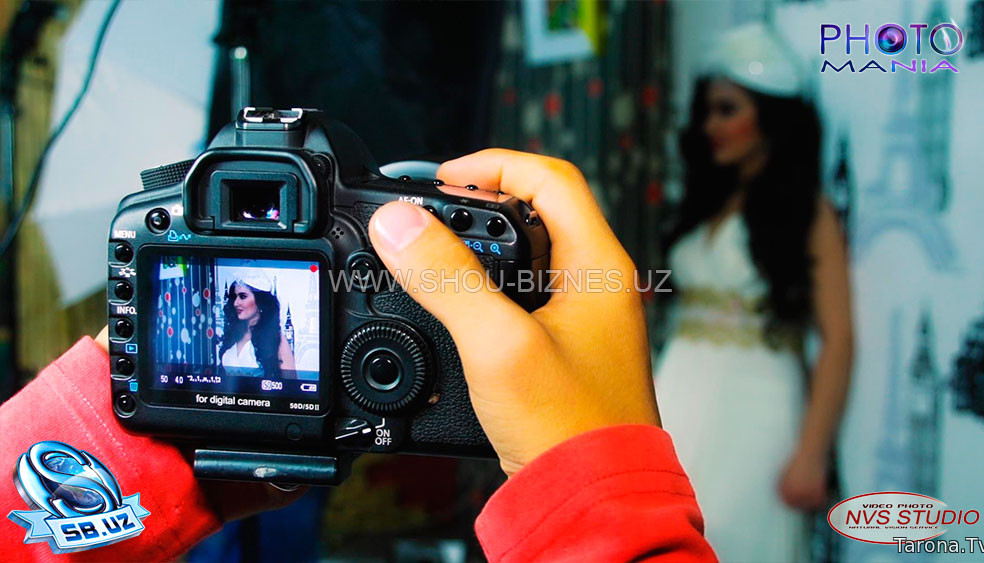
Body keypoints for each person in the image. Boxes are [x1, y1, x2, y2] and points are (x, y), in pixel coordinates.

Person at [1, 150, 716, 562]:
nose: (235, 302)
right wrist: (606, 501)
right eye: (232, 294)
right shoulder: (218, 348)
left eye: (245, 294)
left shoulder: (279, 344)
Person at [653, 24, 853, 562]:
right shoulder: (704, 204)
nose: (711, 125)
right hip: (677, 387)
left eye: (727, 110)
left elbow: (838, 339)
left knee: (735, 538)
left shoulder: (808, 213)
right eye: (708, 111)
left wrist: (811, 453)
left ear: (771, 115)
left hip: (758, 404)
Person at [218, 272, 296, 379]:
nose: (236, 303)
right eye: (235, 297)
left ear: (260, 301)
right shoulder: (233, 335)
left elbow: (291, 384)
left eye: (242, 296)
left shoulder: (276, 339)